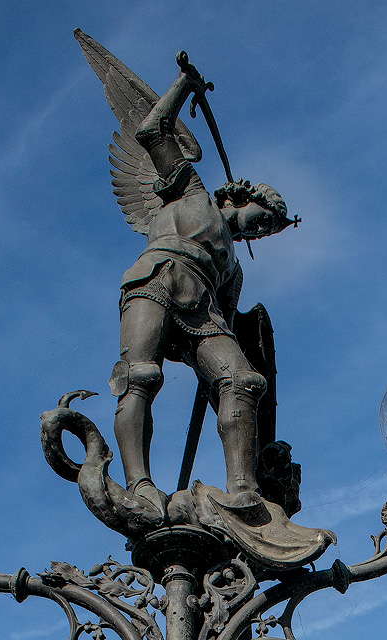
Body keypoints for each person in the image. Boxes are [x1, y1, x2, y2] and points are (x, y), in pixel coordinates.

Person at [109, 66, 295, 513]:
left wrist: (215, 381)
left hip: (203, 305)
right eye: (263, 219)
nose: (262, 231)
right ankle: (140, 484)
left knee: (243, 380)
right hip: (156, 277)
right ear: (242, 197)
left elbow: (227, 334)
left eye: (269, 232)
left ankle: (242, 489)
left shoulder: (233, 273)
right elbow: (152, 128)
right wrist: (185, 86)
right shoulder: (190, 192)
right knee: (140, 376)